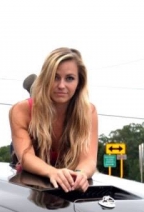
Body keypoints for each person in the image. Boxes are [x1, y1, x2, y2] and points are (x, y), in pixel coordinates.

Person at [9, 47, 98, 192]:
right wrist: (53, 172)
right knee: (16, 150)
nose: (61, 85)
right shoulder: (20, 110)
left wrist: (81, 174)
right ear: (45, 79)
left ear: (79, 82)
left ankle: (35, 89)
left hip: (68, 185)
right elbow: (26, 158)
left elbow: (88, 160)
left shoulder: (89, 112)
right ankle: (34, 90)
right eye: (55, 77)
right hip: (30, 185)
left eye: (69, 78)